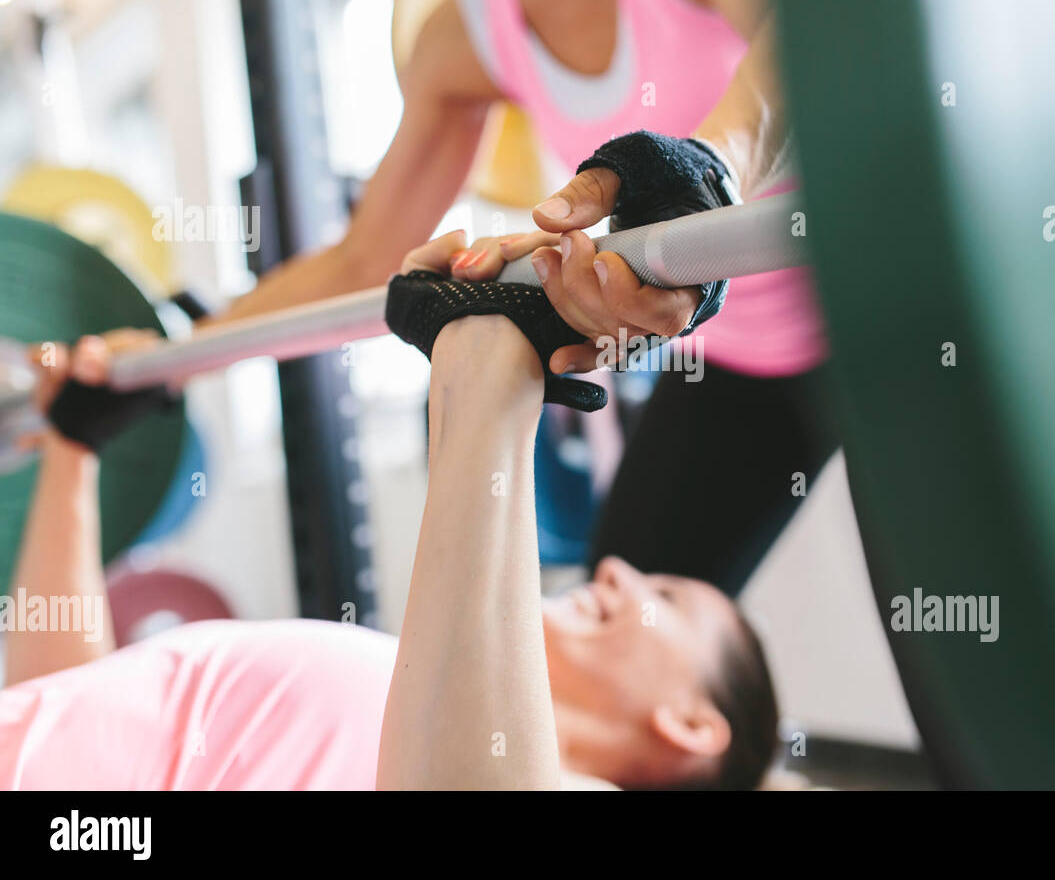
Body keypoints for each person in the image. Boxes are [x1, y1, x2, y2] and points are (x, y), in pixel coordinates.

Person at [0, 236, 779, 790]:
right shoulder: (406, 696)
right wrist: (75, 446)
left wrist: (494, 372)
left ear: (691, 724)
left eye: (669, 600)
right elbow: (74, 715)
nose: (615, 569)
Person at [210, 0, 837, 595]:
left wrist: (709, 173)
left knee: (950, 654)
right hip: (750, 362)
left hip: (896, 302)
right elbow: (363, 261)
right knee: (613, 638)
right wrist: (175, 346)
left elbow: (811, 30)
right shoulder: (473, 25)